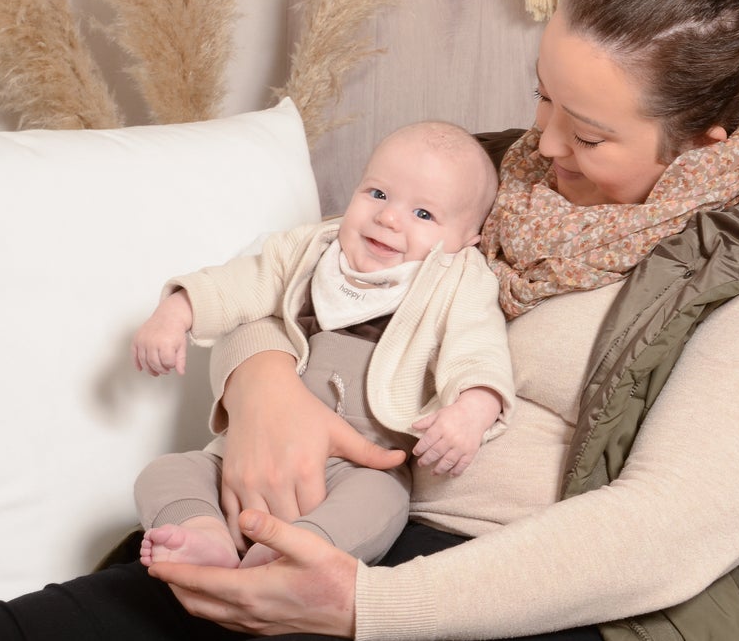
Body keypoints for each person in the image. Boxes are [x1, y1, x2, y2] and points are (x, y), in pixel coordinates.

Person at [0, 0, 739, 640]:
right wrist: (259, 379)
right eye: (541, 95)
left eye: (587, 133)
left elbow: (662, 536)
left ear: (707, 139)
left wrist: (362, 608)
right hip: (340, 534)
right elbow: (311, 275)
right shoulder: (504, 181)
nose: (542, 145)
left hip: (522, 601)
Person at [130, 120, 514, 570]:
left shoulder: (459, 280)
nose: (388, 218)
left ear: (468, 239)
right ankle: (204, 532)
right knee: (166, 472)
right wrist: (177, 311)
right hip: (254, 443)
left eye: (423, 214)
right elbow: (242, 282)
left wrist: (473, 409)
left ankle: (296, 550)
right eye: (378, 193)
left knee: (380, 502)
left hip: (361, 462)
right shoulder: (313, 249)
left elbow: (479, 347)